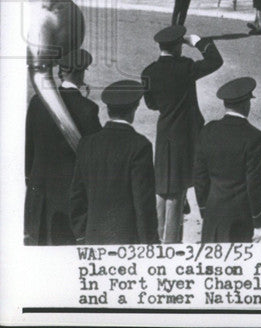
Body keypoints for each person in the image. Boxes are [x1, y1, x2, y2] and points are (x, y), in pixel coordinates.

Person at [141, 24, 223, 243]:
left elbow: (151, 104)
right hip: (189, 133)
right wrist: (198, 41)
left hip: (165, 133)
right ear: (179, 46)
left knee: (164, 187)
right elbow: (215, 61)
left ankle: (157, 238)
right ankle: (170, 243)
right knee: (181, 188)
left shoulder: (148, 72)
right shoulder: (186, 66)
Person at [24, 49, 102, 245]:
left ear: (61, 71)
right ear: (82, 72)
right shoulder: (88, 109)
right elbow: (94, 158)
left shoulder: (36, 102)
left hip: (39, 196)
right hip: (69, 200)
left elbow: (29, 151)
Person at [69, 80, 159, 245]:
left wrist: (81, 236)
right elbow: (144, 204)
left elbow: (77, 196)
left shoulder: (87, 144)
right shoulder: (140, 145)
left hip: (92, 237)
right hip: (126, 240)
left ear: (108, 109)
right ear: (135, 108)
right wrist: (150, 243)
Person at [193, 77, 261, 243]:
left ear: (225, 104)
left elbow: (200, 177)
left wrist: (204, 209)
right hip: (240, 217)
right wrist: (260, 221)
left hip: (213, 214)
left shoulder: (207, 131)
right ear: (246, 104)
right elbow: (254, 183)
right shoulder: (254, 137)